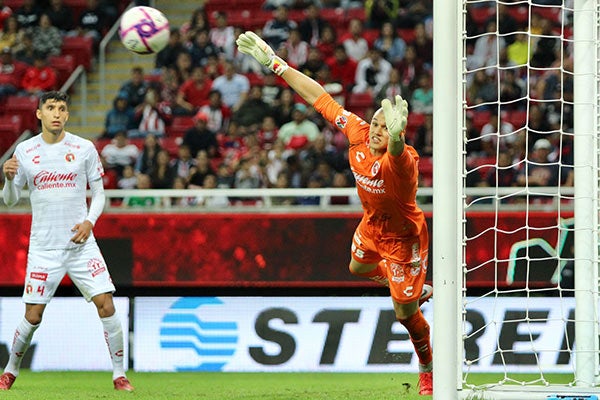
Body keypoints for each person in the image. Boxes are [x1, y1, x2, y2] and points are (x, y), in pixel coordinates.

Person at [236, 31, 433, 395]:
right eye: (374, 123)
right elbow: (318, 97)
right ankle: (404, 285)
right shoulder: (357, 133)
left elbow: (396, 152)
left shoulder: (402, 161)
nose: (375, 130)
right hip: (373, 227)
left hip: (404, 240)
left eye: (382, 127)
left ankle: (427, 368)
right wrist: (273, 63)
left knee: (404, 315)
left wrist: (395, 137)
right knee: (357, 267)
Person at [0, 91, 133, 391]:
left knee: (106, 305)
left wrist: (90, 222)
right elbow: (9, 201)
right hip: (44, 248)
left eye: (61, 108)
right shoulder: (24, 151)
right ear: (39, 114)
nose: (56, 113)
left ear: (67, 115)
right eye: (50, 108)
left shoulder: (84, 148)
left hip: (80, 244)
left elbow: (99, 193)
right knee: (32, 315)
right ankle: (9, 371)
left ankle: (119, 374)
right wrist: (8, 179)